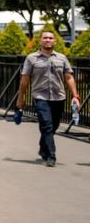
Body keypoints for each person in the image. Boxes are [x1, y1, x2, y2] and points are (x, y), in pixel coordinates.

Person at [15, 29, 80, 167]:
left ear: (55, 41)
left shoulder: (62, 58)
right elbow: (25, 79)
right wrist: (21, 98)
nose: (48, 40)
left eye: (51, 38)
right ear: (40, 41)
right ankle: (51, 155)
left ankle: (43, 146)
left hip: (58, 97)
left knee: (53, 126)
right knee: (46, 124)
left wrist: (75, 95)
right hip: (40, 96)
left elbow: (68, 77)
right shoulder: (31, 58)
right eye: (45, 38)